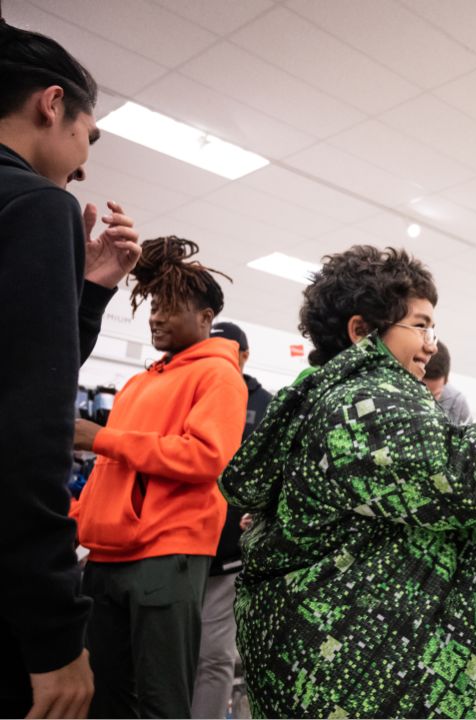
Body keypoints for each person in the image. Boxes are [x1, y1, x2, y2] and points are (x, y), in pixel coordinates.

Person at [219, 245, 476, 718]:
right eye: (421, 325)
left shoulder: (327, 402)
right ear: (362, 331)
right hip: (360, 676)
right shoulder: (364, 405)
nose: (431, 344)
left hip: (345, 668)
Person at [0, 20, 142, 720]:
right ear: (50, 105)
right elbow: (28, 427)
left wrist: (86, 293)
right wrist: (55, 636)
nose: (84, 163)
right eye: (89, 136)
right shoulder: (36, 203)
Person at [70, 237, 247, 718]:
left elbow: (204, 457)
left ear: (206, 318)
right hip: (104, 555)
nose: (156, 316)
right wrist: (73, 517)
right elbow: (113, 473)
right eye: (153, 305)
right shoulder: (138, 383)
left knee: (160, 699)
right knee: (103, 695)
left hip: (165, 553)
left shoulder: (218, 377)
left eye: (171, 307)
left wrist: (101, 437)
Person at [190, 321, 273, 720]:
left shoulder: (267, 405)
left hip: (228, 550)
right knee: (171, 651)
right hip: (180, 543)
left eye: (228, 350)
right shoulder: (195, 388)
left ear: (244, 355)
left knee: (213, 654)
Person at [423, 340, 472, 424]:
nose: (427, 403)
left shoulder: (457, 405)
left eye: (434, 396)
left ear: (446, 380)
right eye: (419, 394)